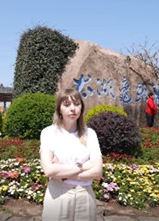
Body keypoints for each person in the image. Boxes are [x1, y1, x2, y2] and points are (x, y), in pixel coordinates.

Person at [39, 88, 103, 221]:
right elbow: (49, 170)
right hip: (58, 195)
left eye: (77, 104)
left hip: (85, 195)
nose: (73, 109)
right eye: (67, 105)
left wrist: (62, 174)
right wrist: (83, 167)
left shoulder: (90, 134)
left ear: (81, 107)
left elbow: (97, 171)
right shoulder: (49, 133)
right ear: (59, 109)